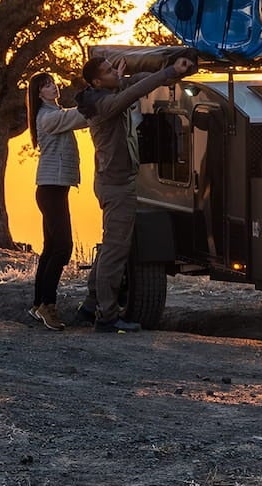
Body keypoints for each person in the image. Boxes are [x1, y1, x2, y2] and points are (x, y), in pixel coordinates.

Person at [75, 55, 194, 333]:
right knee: (116, 251)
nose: (113, 73)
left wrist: (167, 74)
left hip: (113, 183)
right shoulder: (105, 105)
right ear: (96, 82)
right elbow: (134, 91)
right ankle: (106, 316)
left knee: (112, 245)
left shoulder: (102, 95)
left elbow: (133, 82)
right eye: (107, 72)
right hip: (116, 187)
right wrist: (169, 71)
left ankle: (92, 304)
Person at [26, 72, 88, 332]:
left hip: (54, 188)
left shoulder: (54, 113)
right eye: (47, 85)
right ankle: (47, 305)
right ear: (39, 93)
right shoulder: (49, 117)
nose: (54, 87)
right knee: (63, 247)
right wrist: (102, 99)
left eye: (53, 83)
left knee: (51, 248)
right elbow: (81, 116)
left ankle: (39, 303)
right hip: (50, 189)